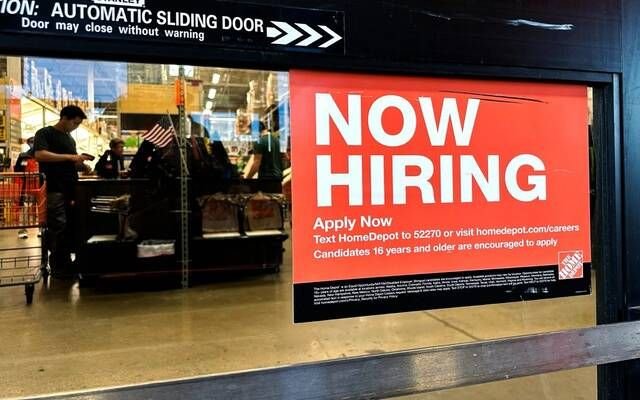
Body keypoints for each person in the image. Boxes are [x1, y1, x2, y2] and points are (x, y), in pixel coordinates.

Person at [34, 105, 92, 277]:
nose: (76, 127)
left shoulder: (69, 139)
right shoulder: (45, 133)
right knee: (57, 227)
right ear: (65, 118)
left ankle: (66, 263)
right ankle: (58, 267)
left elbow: (69, 162)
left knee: (69, 227)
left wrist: (81, 165)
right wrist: (70, 157)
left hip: (70, 188)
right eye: (75, 123)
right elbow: (40, 155)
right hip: (54, 187)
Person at [14, 137, 37, 239]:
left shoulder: (42, 156)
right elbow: (17, 169)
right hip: (27, 187)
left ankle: (42, 230)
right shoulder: (23, 156)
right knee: (25, 209)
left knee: (42, 209)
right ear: (28, 144)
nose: (33, 144)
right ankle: (22, 231)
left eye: (34, 142)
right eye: (31, 142)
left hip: (41, 186)